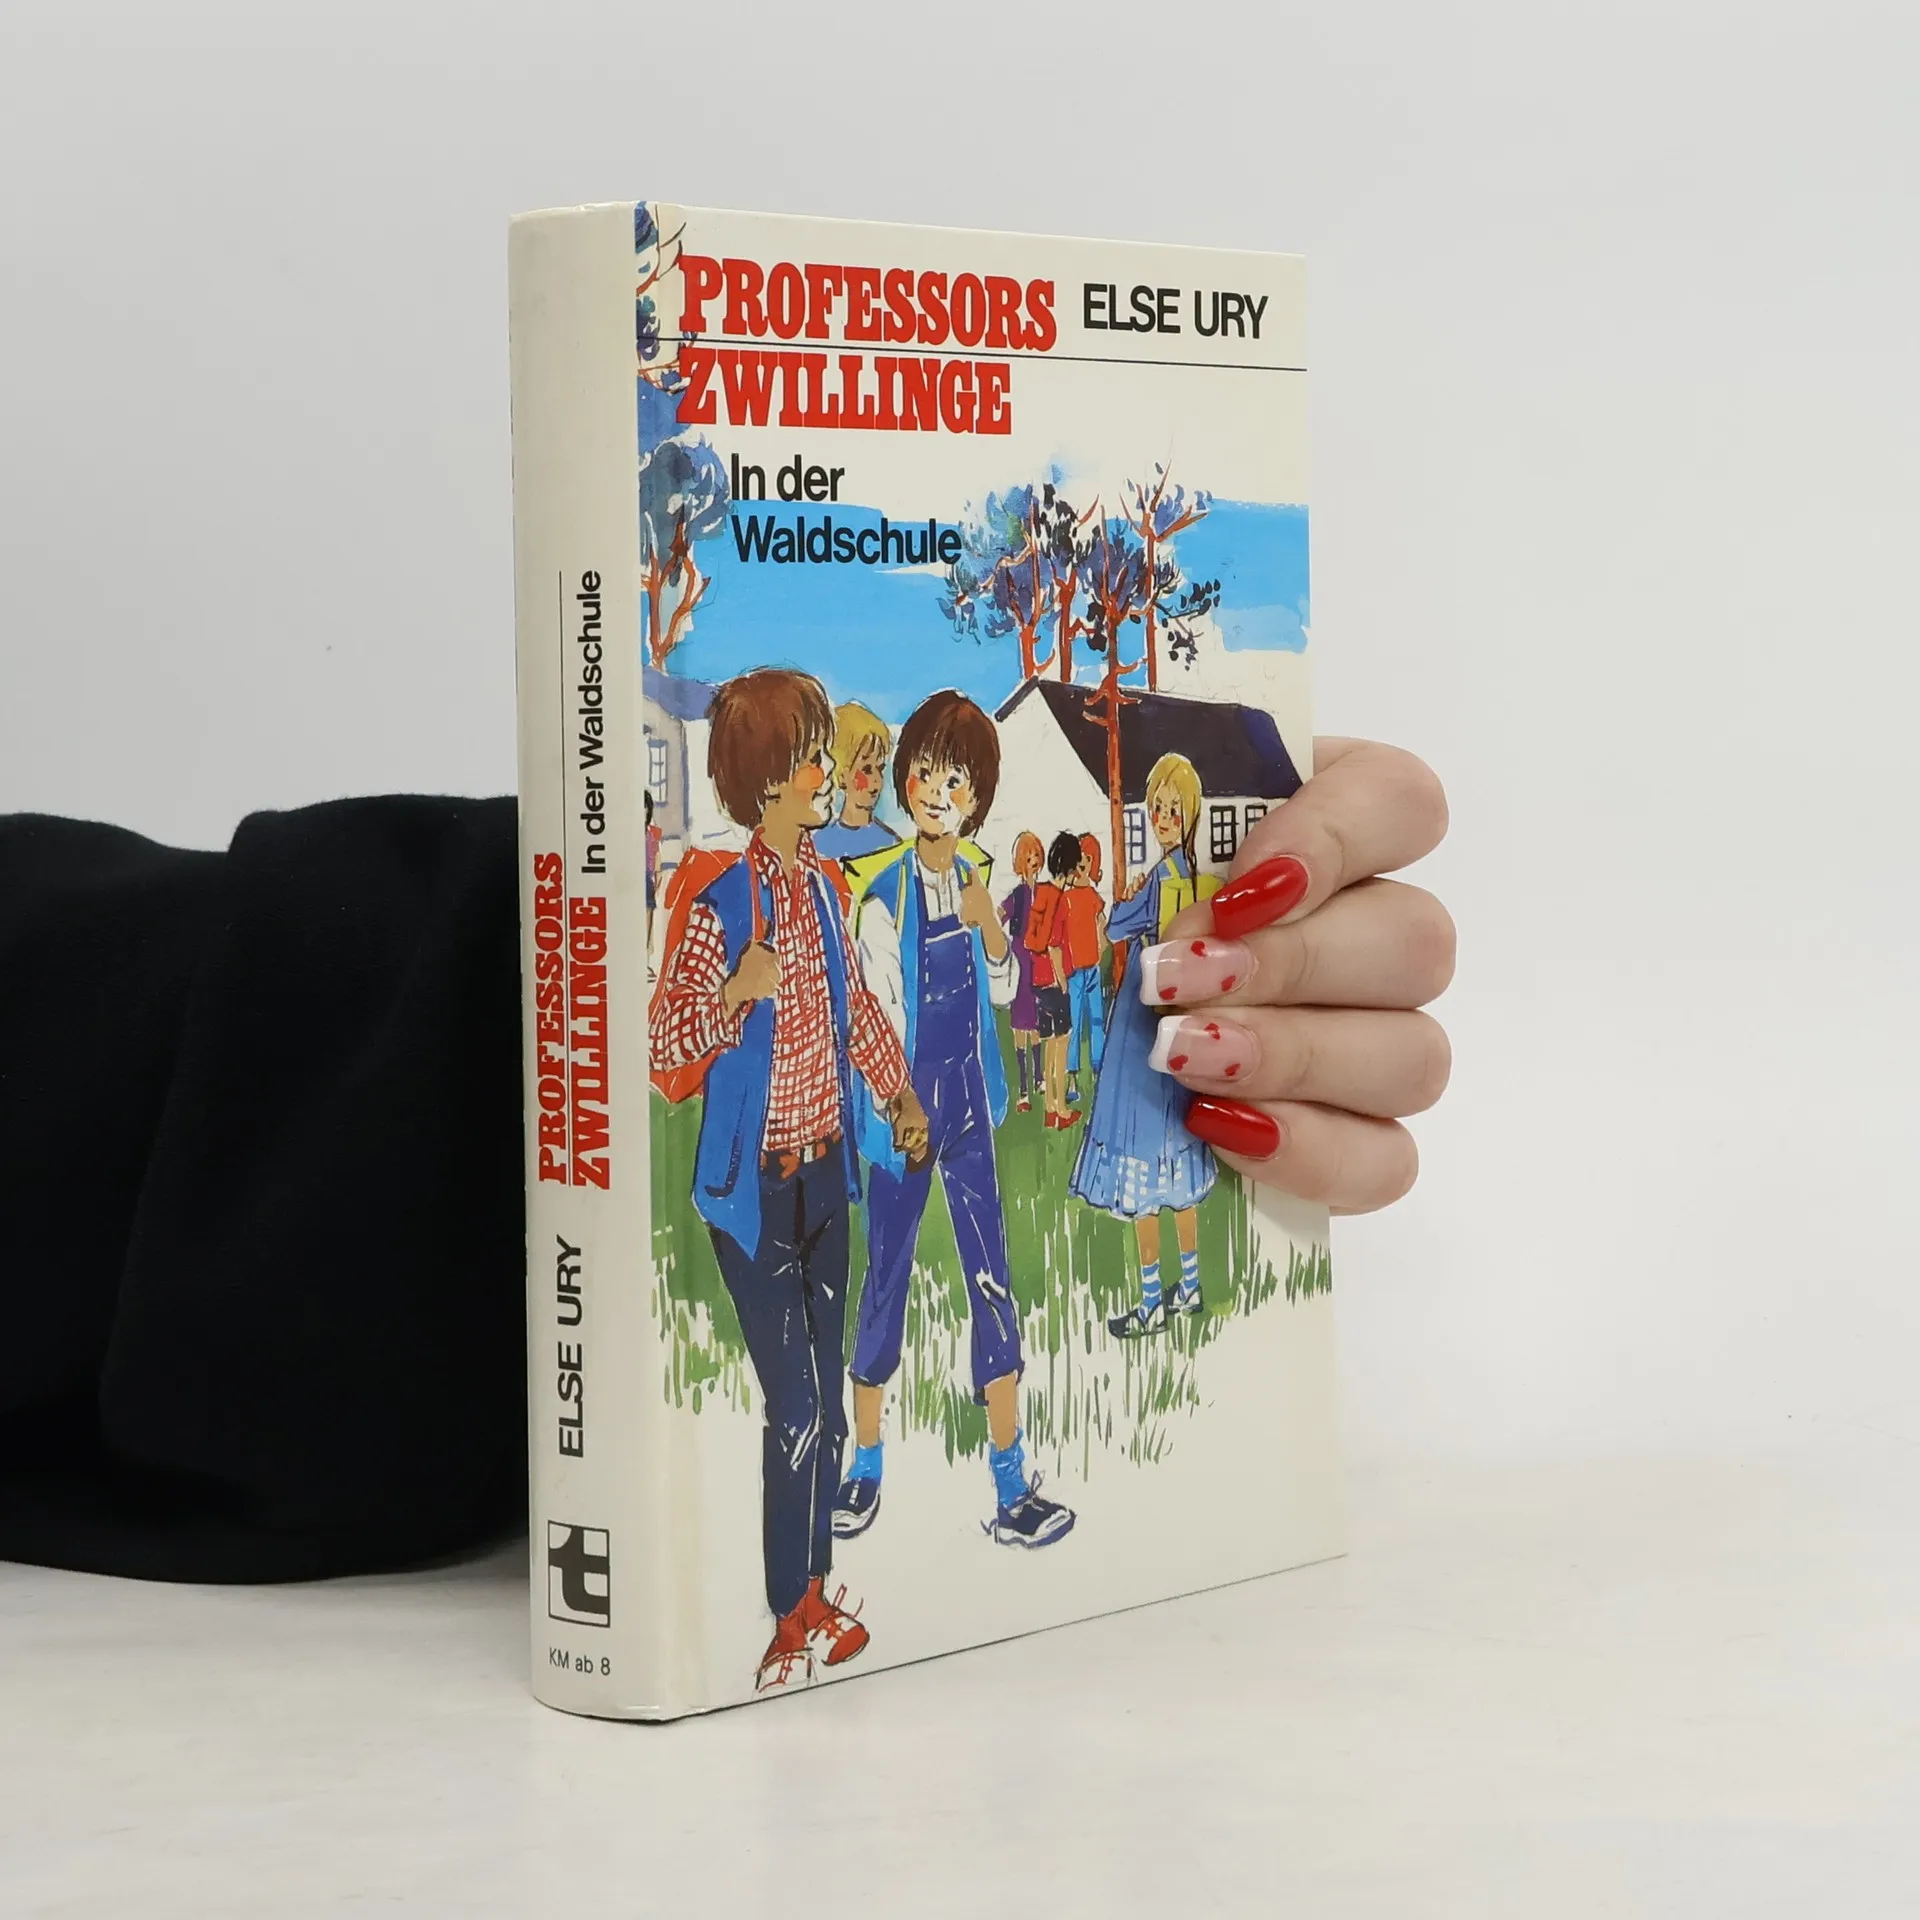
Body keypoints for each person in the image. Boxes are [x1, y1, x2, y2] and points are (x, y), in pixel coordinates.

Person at [651, 667, 930, 1691]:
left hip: (825, 1179)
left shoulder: (821, 890)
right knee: (799, 1409)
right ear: (767, 781)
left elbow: (858, 1012)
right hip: (753, 1194)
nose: (827, 773)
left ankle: (813, 1594)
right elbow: (663, 1042)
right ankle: (784, 1616)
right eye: (812, 758)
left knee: (822, 1398)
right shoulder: (719, 904)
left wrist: (899, 1097)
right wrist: (735, 990)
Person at [832, 693, 1074, 1549]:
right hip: (905, 1106)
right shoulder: (883, 894)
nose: (938, 791)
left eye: (957, 779)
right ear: (906, 781)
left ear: (977, 798)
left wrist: (992, 932)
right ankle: (863, 1466)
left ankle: (1012, 1483)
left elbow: (1005, 993)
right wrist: (898, 1103)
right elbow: (873, 1008)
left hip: (969, 1098)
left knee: (992, 1276)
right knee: (886, 1277)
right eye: (927, 772)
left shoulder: (977, 884)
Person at [1069, 755, 1222, 1335]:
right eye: (1157, 807)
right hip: (1171, 1024)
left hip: (1141, 1030)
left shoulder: (1162, 878)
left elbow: (1115, 926)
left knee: (1142, 1175)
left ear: (1189, 815)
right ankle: (1190, 1286)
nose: (1162, 817)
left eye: (1172, 809)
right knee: (1176, 1175)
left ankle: (1154, 1300)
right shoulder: (1193, 879)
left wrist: (1126, 900)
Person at [1024, 832, 1081, 1131]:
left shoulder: (1042, 892)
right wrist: (1063, 982)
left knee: (1048, 1047)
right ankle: (1061, 1109)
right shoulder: (1060, 900)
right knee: (1061, 1046)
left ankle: (1049, 1109)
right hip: (1054, 982)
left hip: (1037, 980)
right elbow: (1055, 945)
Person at [813, 701, 900, 863]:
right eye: (866, 769)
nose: (876, 780)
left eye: (880, 768)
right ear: (842, 775)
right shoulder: (820, 845)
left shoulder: (891, 843)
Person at [1000, 831, 1045, 1114]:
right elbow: (999, 915)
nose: (1034, 862)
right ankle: (1024, 1088)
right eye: (1028, 858)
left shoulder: (1044, 892)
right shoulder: (1017, 895)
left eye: (1036, 856)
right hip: (1020, 960)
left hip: (1038, 960)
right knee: (1020, 1024)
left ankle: (1039, 1076)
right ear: (1020, 862)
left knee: (1037, 1022)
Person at [1063, 831, 1108, 1104]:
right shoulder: (1066, 898)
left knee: (1097, 1020)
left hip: (1092, 968)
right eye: (1079, 859)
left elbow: (1101, 923)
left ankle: (1098, 1070)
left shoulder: (1092, 895)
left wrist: (1100, 949)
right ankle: (1071, 1078)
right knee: (1075, 1023)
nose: (1082, 865)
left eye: (1087, 859)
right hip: (1074, 972)